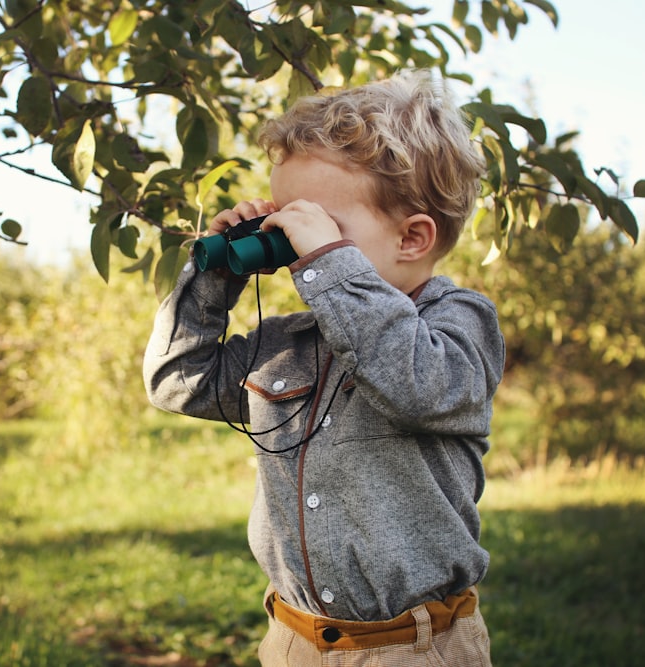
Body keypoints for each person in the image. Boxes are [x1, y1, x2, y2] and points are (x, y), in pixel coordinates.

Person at [142, 69, 505, 666]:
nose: (293, 245)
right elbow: (176, 380)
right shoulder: (287, 342)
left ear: (413, 237)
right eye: (286, 221)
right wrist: (216, 276)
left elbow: (416, 385)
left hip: (415, 649)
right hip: (293, 641)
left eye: (319, 226)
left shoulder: (460, 323)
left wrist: (329, 263)